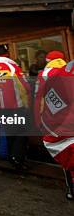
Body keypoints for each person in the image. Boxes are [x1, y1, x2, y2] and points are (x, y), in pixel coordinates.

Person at [0, 45, 32, 170]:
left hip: (1, 109)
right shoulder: (12, 67)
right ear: (7, 54)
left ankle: (12, 159)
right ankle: (18, 160)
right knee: (21, 133)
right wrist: (25, 103)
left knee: (10, 133)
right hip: (17, 107)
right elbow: (25, 87)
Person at [35, 54, 73, 200]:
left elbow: (39, 99)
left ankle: (70, 189)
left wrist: (39, 121)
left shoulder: (44, 74)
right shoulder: (64, 71)